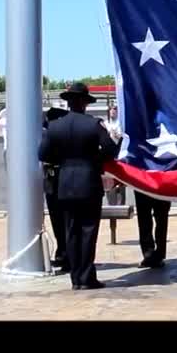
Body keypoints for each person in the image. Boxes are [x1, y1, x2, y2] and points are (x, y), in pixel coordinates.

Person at [38, 82, 120, 290]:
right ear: (85, 103)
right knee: (88, 230)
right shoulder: (94, 124)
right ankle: (87, 277)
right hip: (89, 181)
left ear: (68, 102)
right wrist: (94, 159)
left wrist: (64, 160)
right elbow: (111, 149)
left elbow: (43, 154)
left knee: (71, 231)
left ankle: (76, 278)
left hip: (64, 183)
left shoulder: (55, 126)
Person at [42, 107, 69, 271]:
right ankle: (62, 252)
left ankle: (64, 253)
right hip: (55, 180)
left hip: (57, 179)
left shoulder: (51, 135)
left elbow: (43, 154)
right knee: (59, 220)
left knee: (59, 220)